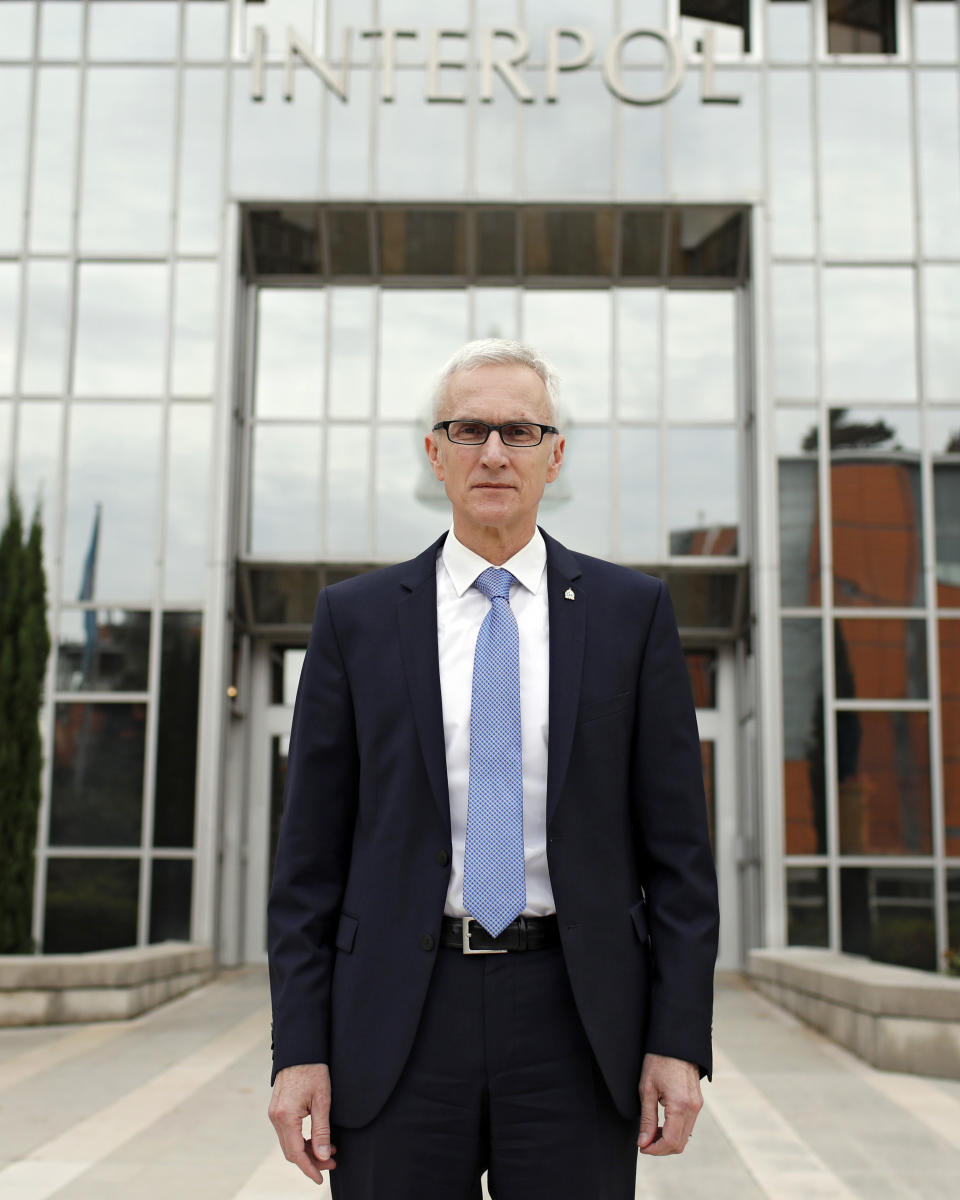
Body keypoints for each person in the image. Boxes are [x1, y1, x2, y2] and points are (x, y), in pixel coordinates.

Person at [267, 338, 719, 1198]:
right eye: (469, 429)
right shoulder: (353, 621)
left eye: (519, 430)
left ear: (556, 454)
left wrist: (678, 1039)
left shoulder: (633, 615)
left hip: (577, 1021)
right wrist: (300, 1052)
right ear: (435, 453)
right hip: (398, 1019)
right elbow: (306, 868)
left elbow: (680, 861)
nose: (494, 453)